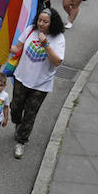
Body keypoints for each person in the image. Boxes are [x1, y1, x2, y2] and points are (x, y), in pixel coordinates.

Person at [10, 9, 65, 159]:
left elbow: (57, 62)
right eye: (39, 20)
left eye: (45, 21)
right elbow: (17, 48)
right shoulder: (30, 30)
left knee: (30, 113)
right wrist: (4, 46)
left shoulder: (58, 38)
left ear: (52, 23)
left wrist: (46, 44)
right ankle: (18, 124)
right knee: (15, 107)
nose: (41, 24)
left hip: (41, 84)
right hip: (21, 78)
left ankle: (21, 141)